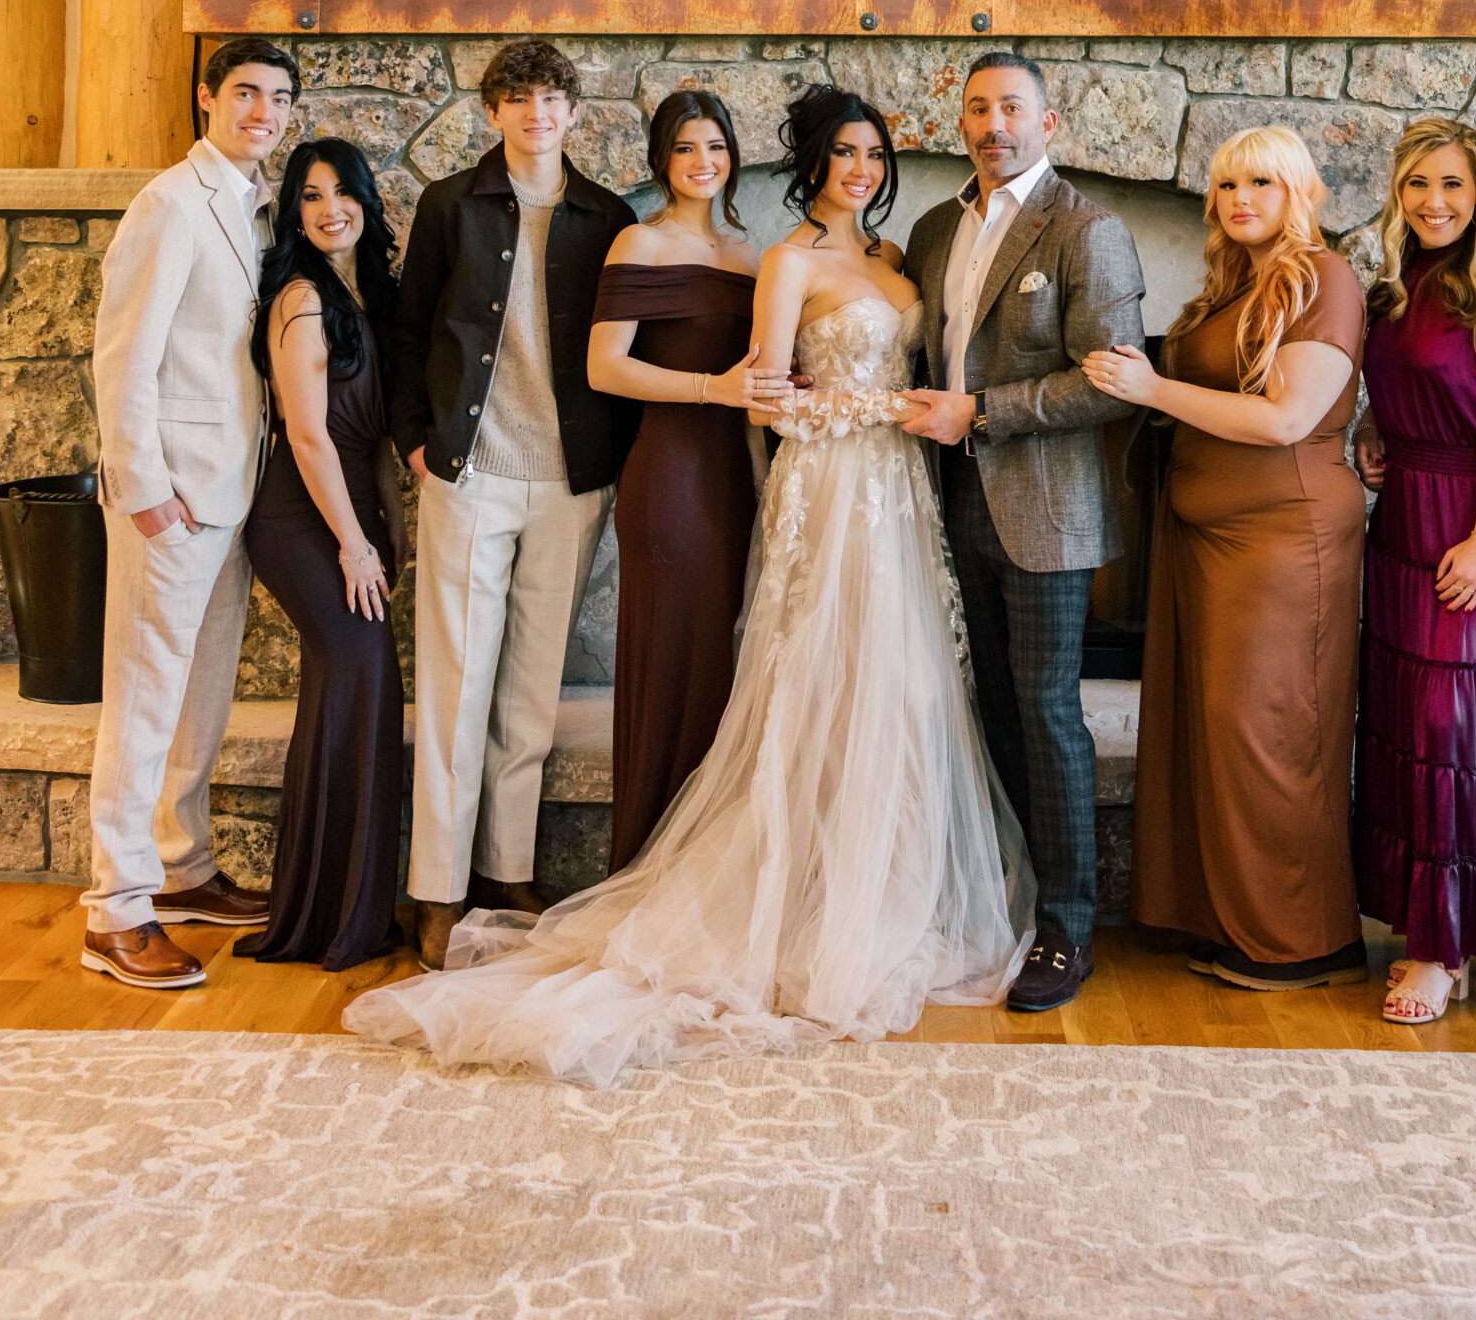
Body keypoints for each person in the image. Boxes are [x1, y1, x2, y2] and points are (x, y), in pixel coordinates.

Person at [344, 85, 1031, 1084]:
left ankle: (874, 888)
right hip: (832, 486)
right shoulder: (784, 260)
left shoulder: (891, 259)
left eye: (873, 154)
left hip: (900, 497)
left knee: (897, 689)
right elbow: (772, 400)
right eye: (843, 153)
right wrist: (885, 406)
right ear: (811, 162)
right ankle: (718, 895)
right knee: (808, 687)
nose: (861, 169)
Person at [1088, 124, 1368, 991]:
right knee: (1211, 731)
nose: (1238, 198)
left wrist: (1152, 388)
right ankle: (1229, 917)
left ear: (1298, 192)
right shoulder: (1229, 285)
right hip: (1207, 540)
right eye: (1225, 185)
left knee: (1268, 731)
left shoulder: (1321, 278)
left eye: (1260, 183)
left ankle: (1307, 940)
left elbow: (1287, 419)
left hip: (1281, 541)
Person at [900, 50, 1146, 1013]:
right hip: (947, 503)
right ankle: (1003, 897)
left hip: (1046, 515)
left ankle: (1066, 928)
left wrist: (985, 414)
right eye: (976, 108)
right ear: (956, 121)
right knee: (988, 710)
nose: (993, 123)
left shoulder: (1091, 230)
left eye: (1012, 108)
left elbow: (1110, 378)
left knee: (1046, 715)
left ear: (1050, 123)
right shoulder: (930, 229)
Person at [393, 38, 641, 970]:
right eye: (518, 99)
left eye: (552, 98)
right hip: (470, 473)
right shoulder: (449, 205)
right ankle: (438, 888)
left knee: (531, 694)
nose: (537, 114)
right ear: (492, 112)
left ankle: (504, 871)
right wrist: (418, 443)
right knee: (456, 690)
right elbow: (411, 326)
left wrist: (611, 461)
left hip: (569, 480)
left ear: (576, 114)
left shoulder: (606, 217)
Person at [85, 38, 300, 989]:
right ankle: (115, 911)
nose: (263, 111)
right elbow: (122, 357)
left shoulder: (253, 210)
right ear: (207, 98)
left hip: (230, 492)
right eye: (246, 93)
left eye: (279, 98)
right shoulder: (170, 204)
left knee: (202, 690)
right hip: (170, 500)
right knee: (142, 699)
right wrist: (143, 490)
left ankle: (181, 867)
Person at [1351, 118, 1476, 1024]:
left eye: (1453, 187)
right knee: (1406, 729)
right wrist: (1368, 437)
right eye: (1418, 186)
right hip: (1399, 528)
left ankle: (1441, 949)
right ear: (1397, 195)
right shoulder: (1389, 293)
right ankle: (1432, 934)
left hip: (1475, 531)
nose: (1434, 203)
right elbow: (1388, 399)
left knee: (1451, 730)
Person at [587, 89, 786, 870]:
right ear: (661, 160)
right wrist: (713, 389)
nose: (704, 163)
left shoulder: (749, 253)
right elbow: (604, 368)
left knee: (717, 669)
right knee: (670, 661)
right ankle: (644, 863)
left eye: (716, 147)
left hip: (732, 481)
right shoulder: (638, 242)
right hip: (667, 481)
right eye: (685, 149)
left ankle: (701, 872)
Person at [235, 139, 406, 972]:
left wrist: (388, 533)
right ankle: (325, 915)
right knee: (358, 675)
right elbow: (307, 433)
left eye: (342, 191)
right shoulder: (302, 298)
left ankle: (336, 905)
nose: (329, 207)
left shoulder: (360, 294)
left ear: (367, 201)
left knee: (356, 688)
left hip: (347, 515)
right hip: (302, 519)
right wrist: (354, 545)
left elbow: (370, 432)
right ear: (294, 214)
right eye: (310, 195)